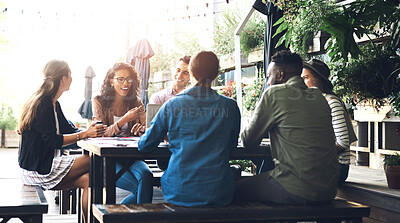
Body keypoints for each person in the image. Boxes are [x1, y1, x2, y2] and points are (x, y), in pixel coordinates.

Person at [235, 50, 338, 205]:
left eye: (269, 76)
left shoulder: (274, 94)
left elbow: (248, 140)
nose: (268, 82)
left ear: (281, 75)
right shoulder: (318, 96)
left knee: (232, 190)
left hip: (295, 188)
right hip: (328, 189)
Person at [138, 51, 241, 207]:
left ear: (191, 72)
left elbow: (144, 145)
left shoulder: (172, 105)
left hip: (178, 190)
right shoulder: (230, 106)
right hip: (218, 192)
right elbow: (231, 146)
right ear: (216, 74)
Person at [18, 60, 105, 223]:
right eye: (70, 75)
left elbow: (68, 129)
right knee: (93, 161)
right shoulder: (43, 104)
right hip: (36, 170)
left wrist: (88, 130)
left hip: (40, 166)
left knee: (89, 180)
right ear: (63, 78)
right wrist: (86, 134)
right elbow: (53, 141)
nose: (72, 78)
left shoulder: (53, 103)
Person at [93, 62, 153, 204]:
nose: (126, 83)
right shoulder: (99, 101)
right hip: (107, 159)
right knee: (140, 188)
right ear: (111, 82)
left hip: (131, 156)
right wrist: (124, 120)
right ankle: (117, 217)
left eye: (129, 79)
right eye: (120, 79)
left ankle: (117, 217)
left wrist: (142, 130)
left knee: (147, 176)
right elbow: (100, 133)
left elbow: (148, 127)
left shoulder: (136, 102)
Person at [302, 58, 357, 184]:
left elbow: (342, 142)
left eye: (306, 78)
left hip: (336, 167)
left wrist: (317, 157)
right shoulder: (315, 101)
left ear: (318, 79)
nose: (302, 82)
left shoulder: (332, 103)